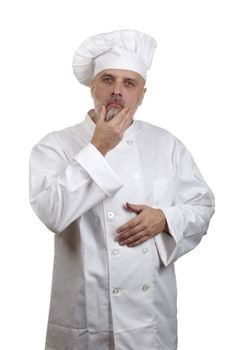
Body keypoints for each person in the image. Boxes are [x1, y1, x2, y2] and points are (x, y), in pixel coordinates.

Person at [29, 29, 215, 350]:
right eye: (108, 79)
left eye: (129, 83)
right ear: (92, 87)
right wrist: (97, 148)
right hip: (86, 318)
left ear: (143, 93)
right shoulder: (55, 146)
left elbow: (202, 206)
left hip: (149, 322)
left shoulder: (167, 144)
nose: (117, 91)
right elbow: (52, 213)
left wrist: (165, 219)